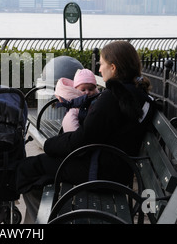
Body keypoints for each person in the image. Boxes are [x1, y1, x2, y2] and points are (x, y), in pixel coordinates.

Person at [16, 41, 154, 223]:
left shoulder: (113, 98)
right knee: (40, 168)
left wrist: (49, 145)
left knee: (28, 168)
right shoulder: (140, 96)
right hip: (117, 169)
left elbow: (82, 141)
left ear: (113, 68)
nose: (99, 69)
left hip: (100, 173)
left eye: (102, 64)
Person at [54, 68, 100, 133]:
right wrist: (76, 138)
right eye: (83, 90)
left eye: (90, 89)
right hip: (79, 137)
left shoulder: (97, 99)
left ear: (95, 89)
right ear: (75, 89)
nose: (87, 92)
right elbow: (70, 123)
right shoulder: (75, 106)